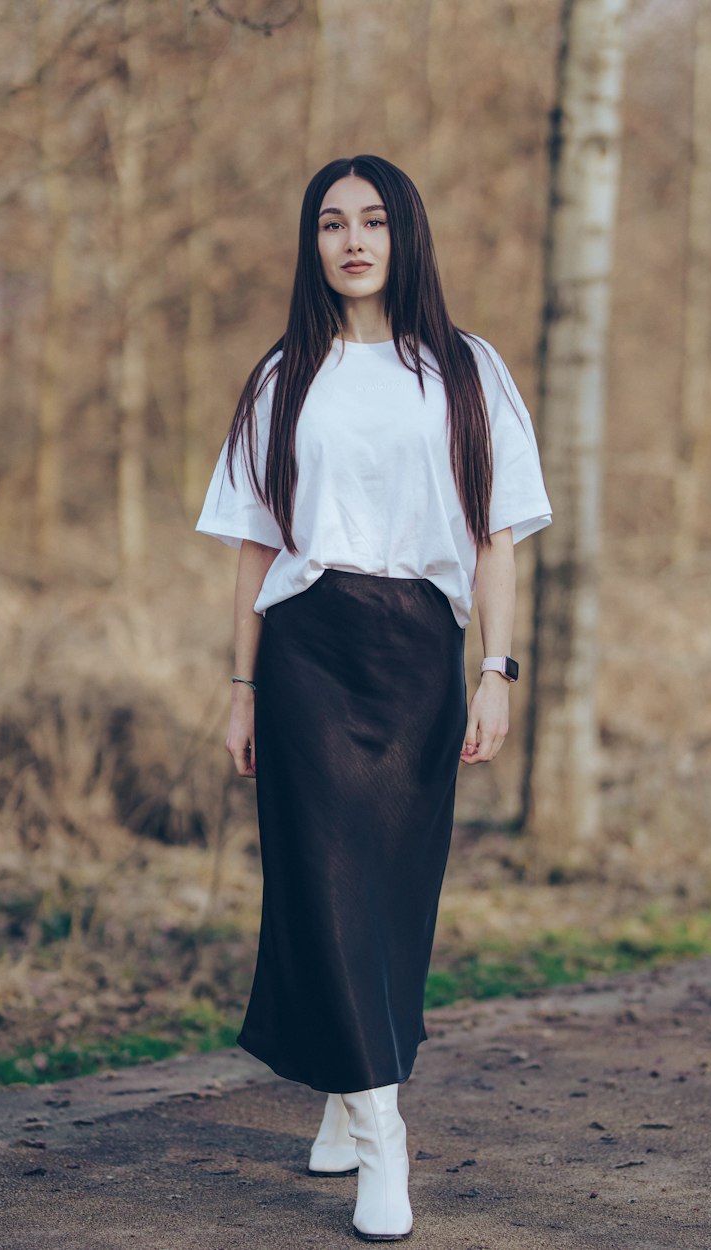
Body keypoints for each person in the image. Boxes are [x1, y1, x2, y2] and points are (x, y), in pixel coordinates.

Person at [195, 154, 551, 1241]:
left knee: (390, 890)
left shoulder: (464, 367)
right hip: (306, 646)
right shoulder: (282, 374)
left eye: (374, 221)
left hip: (416, 652)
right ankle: (382, 1133)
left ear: (406, 236)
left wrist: (497, 669)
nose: (352, 240)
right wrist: (242, 684)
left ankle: (348, 1096)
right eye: (332, 223)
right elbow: (256, 545)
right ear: (312, 244)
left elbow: (494, 542)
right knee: (318, 881)